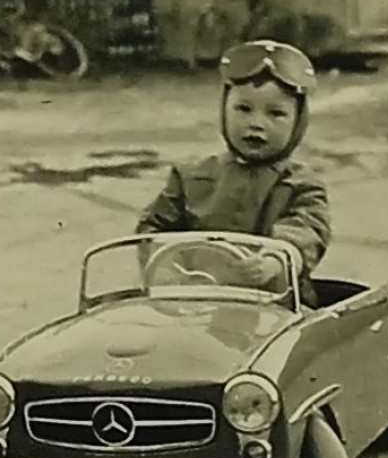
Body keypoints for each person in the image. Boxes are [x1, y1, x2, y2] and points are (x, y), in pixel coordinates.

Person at [136, 39, 331, 305]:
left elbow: (307, 231)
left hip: (274, 306)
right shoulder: (190, 175)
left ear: (298, 123)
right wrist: (169, 267)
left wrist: (278, 260)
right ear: (224, 110)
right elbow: (153, 228)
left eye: (276, 114)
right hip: (195, 300)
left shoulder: (301, 185)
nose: (256, 124)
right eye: (243, 109)